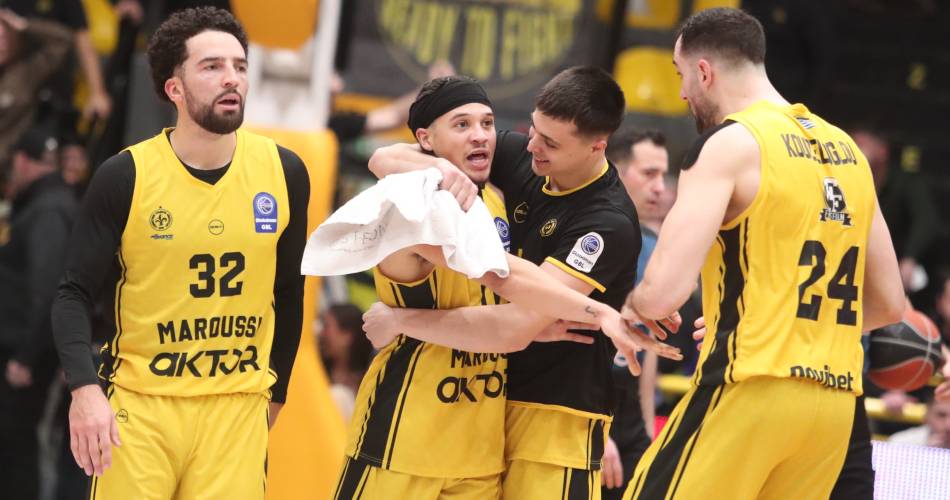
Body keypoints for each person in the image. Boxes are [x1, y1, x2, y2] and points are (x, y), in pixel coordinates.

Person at [336, 74, 678, 500]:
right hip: (435, 422)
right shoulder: (458, 184)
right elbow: (384, 156)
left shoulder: (603, 219)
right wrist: (439, 166)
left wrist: (402, 321)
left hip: (539, 421)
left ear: (596, 146)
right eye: (533, 130)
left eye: (486, 123)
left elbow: (511, 306)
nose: (531, 145)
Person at [621, 8, 903, 500]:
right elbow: (890, 304)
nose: (682, 92)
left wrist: (631, 307)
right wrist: (774, 315)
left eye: (680, 74)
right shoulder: (848, 152)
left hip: (751, 388)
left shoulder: (728, 144)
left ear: (704, 71)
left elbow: (663, 292)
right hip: (834, 408)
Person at [50, 7, 309, 499]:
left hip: (236, 407)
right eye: (212, 66)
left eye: (239, 66)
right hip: (142, 406)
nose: (231, 78)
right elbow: (72, 294)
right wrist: (84, 389)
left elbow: (290, 291)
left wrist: (278, 392)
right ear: (175, 88)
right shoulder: (125, 176)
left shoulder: (284, 171)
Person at [0, 128, 78, 500]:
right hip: (27, 350)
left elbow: (47, 290)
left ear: (21, 161)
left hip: (24, 357)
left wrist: (25, 357)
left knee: (15, 446)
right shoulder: (49, 203)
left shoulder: (47, 210)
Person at [600, 128, 671, 498]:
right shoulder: (590, 230)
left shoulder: (654, 245)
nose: (660, 187)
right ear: (616, 169)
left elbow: (647, 343)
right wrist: (596, 433)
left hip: (628, 409)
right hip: (584, 404)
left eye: (663, 175)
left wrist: (646, 432)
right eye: (649, 174)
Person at [0, 8, 73, 173]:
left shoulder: (27, 73)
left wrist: (24, 25)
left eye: (3, 38)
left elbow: (62, 41)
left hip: (10, 163)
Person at [318, 303, 372, 419]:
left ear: (347, 336)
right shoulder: (316, 371)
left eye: (326, 326)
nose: (321, 333)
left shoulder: (372, 378)